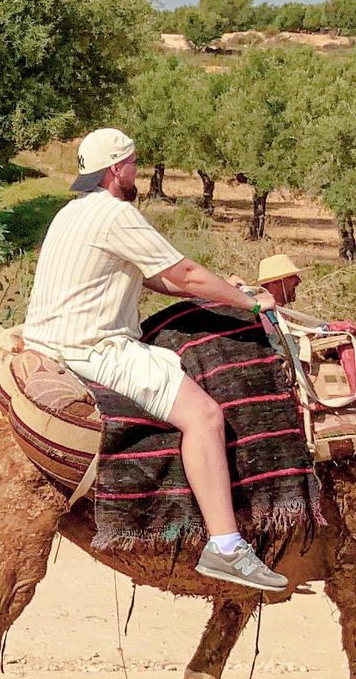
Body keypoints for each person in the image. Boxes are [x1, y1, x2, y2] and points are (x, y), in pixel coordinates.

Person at [20, 127, 289, 593]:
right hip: (91, 348)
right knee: (204, 416)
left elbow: (159, 277)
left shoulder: (72, 212)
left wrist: (230, 292)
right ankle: (226, 545)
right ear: (116, 170)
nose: (136, 173)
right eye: (133, 165)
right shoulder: (115, 213)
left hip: (48, 341)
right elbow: (184, 274)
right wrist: (250, 304)